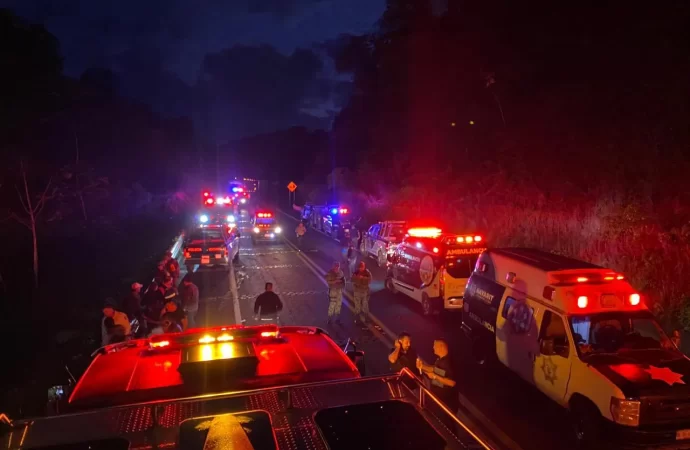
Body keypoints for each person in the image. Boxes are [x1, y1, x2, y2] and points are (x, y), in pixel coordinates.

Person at [416, 339, 458, 418]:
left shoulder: (449, 362)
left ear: (441, 347)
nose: (433, 348)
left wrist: (435, 376)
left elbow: (452, 383)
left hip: (446, 403)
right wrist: (422, 367)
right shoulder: (441, 360)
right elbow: (435, 369)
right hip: (438, 400)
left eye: (435, 346)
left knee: (445, 425)